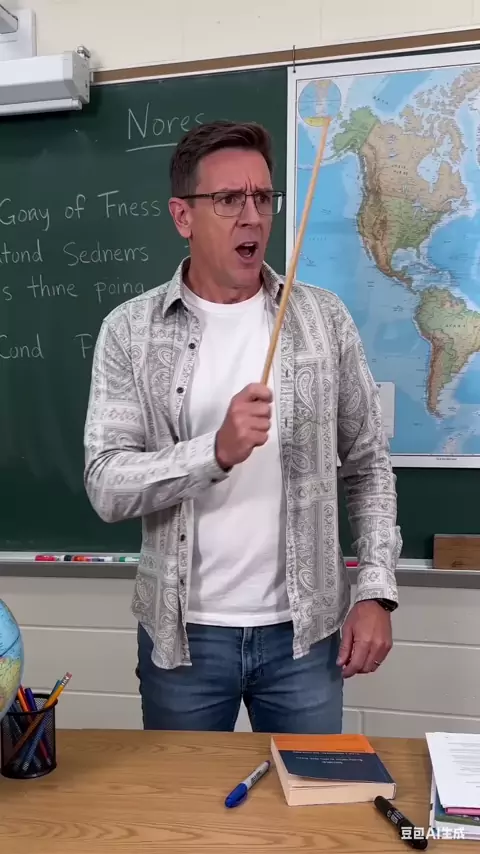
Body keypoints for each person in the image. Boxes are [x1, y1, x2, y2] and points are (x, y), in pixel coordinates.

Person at [84, 120, 402, 734]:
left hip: (305, 636)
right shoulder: (130, 331)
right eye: (229, 199)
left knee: (309, 793)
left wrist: (375, 590)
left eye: (262, 197)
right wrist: (215, 452)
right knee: (184, 799)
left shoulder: (323, 321)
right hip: (184, 639)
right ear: (183, 216)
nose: (252, 216)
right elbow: (106, 484)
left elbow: (368, 467)